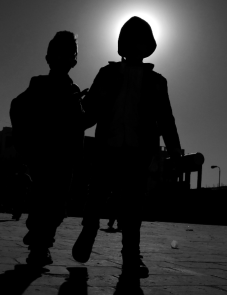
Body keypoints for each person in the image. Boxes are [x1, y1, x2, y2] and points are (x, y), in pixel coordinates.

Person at [72, 16, 182, 277]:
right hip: (107, 148)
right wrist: (74, 115)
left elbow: (166, 118)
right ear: (122, 45)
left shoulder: (157, 81)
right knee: (96, 195)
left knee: (132, 205)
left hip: (137, 151)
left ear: (149, 47)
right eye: (131, 41)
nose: (136, 46)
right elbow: (90, 113)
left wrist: (175, 150)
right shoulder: (107, 74)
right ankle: (89, 231)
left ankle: (131, 256)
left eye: (142, 41)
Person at [10, 31, 87, 266]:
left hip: (64, 157)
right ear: (49, 58)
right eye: (59, 54)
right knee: (46, 198)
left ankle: (39, 238)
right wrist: (26, 143)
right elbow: (17, 107)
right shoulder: (39, 84)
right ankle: (40, 245)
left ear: (74, 60)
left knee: (55, 203)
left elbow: (80, 124)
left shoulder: (74, 92)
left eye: (69, 54)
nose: (64, 59)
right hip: (44, 154)